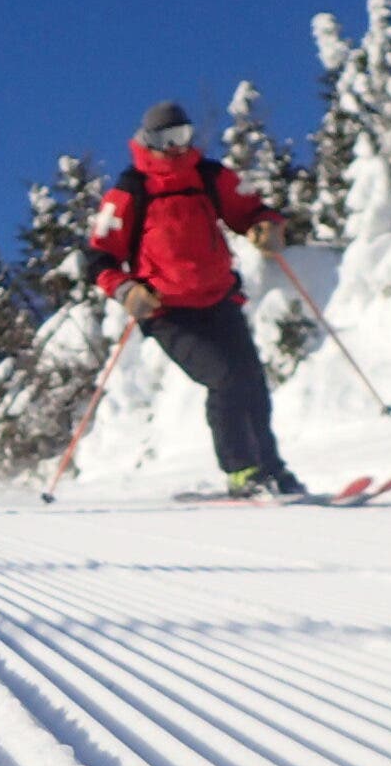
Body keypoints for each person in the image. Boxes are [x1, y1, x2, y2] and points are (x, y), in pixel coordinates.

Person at [86, 99, 306, 497]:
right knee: (225, 379)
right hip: (167, 310)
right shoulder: (130, 189)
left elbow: (251, 210)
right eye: (167, 139)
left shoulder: (208, 176)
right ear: (148, 140)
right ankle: (242, 473)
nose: (176, 147)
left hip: (219, 299)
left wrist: (266, 227)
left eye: (183, 137)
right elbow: (99, 255)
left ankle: (272, 469)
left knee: (252, 383)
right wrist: (125, 289)